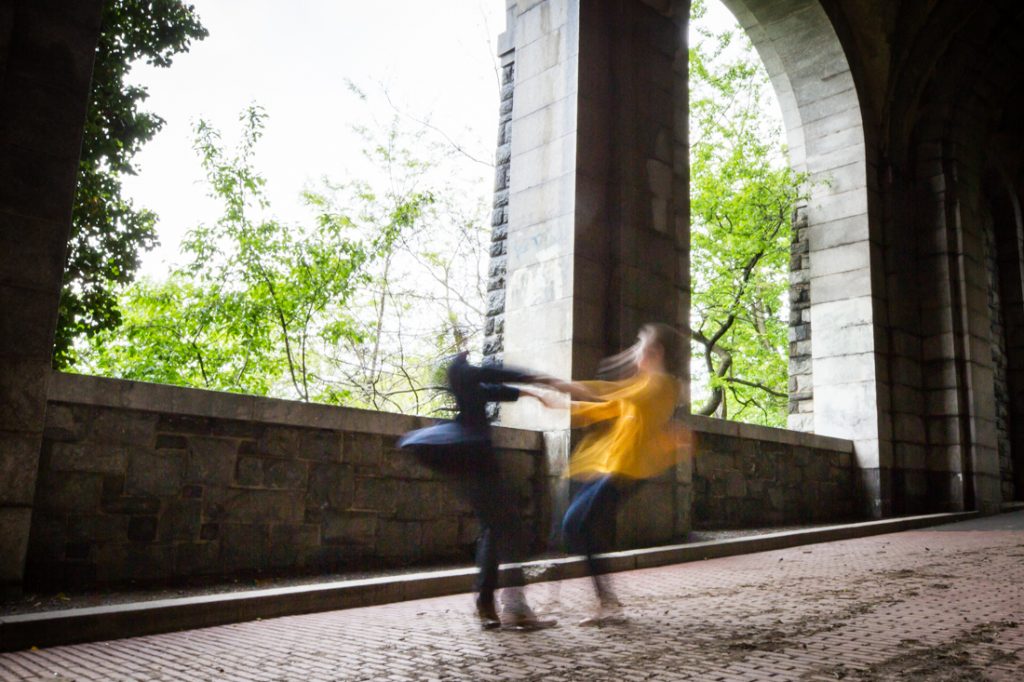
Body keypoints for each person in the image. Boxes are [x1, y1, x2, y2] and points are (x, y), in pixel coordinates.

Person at [398, 351, 557, 630]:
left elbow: (494, 388)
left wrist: (530, 393)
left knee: (494, 532)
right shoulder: (463, 373)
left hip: (479, 469)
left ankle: (487, 605)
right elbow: (493, 375)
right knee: (512, 532)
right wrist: (536, 378)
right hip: (479, 468)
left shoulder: (471, 390)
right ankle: (513, 606)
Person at [549, 323, 694, 625]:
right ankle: (605, 602)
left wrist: (569, 386)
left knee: (576, 525)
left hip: (625, 470)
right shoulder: (643, 385)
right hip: (606, 466)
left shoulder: (663, 386)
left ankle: (607, 603)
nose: (634, 351)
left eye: (640, 345)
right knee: (575, 527)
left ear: (655, 352)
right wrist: (566, 403)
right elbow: (610, 407)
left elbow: (612, 393)